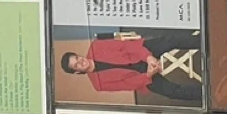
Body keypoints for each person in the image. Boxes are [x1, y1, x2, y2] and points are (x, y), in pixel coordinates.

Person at [60, 31, 203, 102]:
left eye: (77, 58)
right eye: (77, 65)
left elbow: (127, 46)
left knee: (170, 40)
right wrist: (148, 75)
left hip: (140, 52)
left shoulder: (96, 46)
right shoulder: (98, 85)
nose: (81, 61)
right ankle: (207, 93)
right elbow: (127, 84)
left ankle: (205, 41)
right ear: (77, 72)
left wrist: (148, 57)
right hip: (143, 78)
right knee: (172, 92)